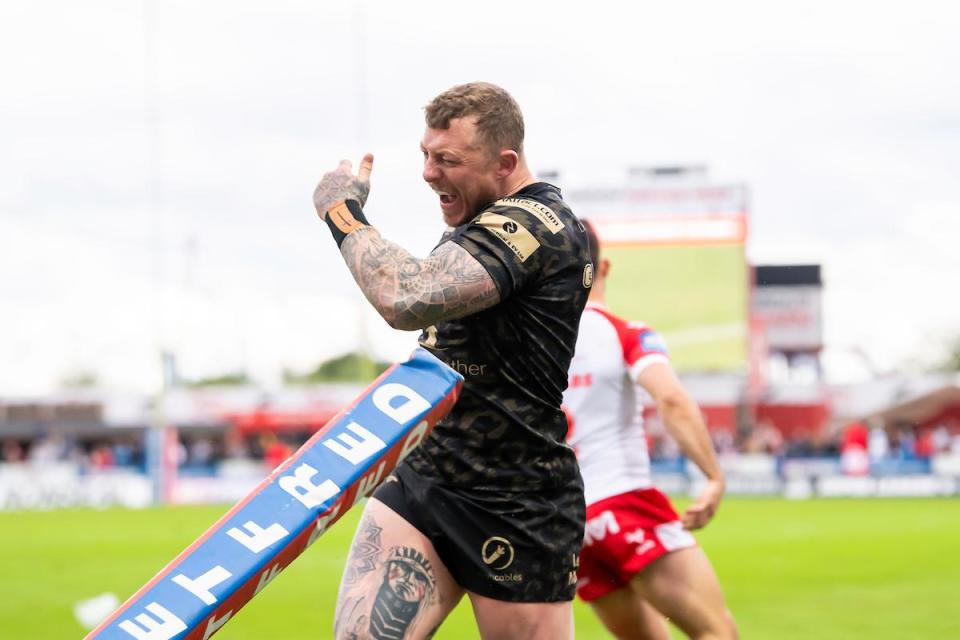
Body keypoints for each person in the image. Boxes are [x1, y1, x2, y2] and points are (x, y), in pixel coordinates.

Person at [312, 82, 593, 639]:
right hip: (428, 475)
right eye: (425, 154)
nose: (428, 172)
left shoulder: (536, 226)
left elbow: (406, 296)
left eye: (448, 160)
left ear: (504, 162)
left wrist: (341, 213)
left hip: (517, 501)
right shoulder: (480, 223)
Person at [562, 221, 738, 640]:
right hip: (623, 501)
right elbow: (672, 400)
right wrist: (713, 476)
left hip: (572, 524)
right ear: (604, 266)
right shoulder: (625, 334)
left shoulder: (534, 346)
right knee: (717, 632)